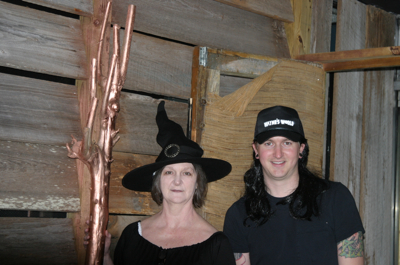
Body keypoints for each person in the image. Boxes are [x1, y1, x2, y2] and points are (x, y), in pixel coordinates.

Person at [223, 105, 365, 265]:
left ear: (301, 149)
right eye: (269, 143)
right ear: (256, 149)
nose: (278, 153)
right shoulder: (238, 215)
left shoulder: (336, 199)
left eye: (287, 143)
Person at [99, 101, 236, 265]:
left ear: (198, 182)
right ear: (158, 181)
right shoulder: (132, 235)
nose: (177, 181)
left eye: (186, 173)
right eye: (169, 172)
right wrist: (105, 257)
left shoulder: (217, 246)